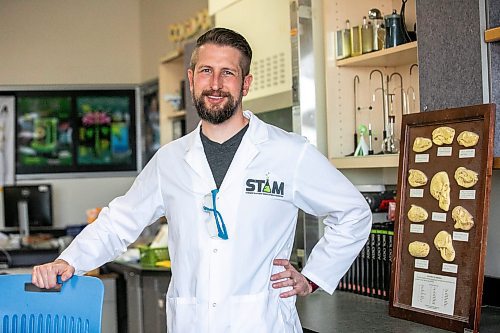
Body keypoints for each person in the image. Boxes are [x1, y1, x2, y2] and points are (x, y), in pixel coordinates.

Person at [32, 27, 372, 332]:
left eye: (228, 73)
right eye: (207, 71)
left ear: (246, 83)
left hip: (262, 322)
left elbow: (353, 212)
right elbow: (119, 222)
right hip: (192, 322)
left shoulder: (288, 153)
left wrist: (314, 277)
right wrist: (69, 261)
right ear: (192, 78)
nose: (215, 84)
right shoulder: (170, 160)